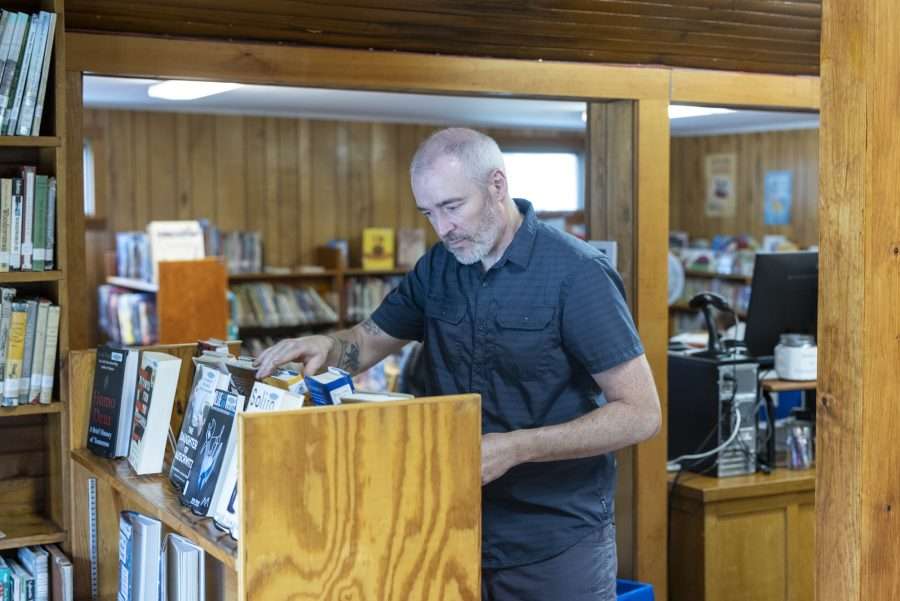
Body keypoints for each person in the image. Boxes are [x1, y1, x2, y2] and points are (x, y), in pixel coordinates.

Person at [254, 127, 661, 601]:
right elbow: (367, 341)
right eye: (429, 213)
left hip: (554, 540)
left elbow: (641, 413)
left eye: (452, 207)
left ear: (497, 186)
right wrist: (326, 344)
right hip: (452, 525)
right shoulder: (439, 266)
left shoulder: (577, 273)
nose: (442, 228)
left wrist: (515, 448)